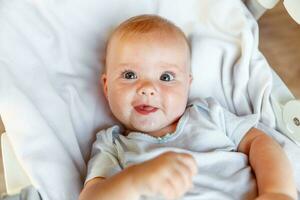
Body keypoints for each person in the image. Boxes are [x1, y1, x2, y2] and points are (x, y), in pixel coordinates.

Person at [79, 14, 297, 200]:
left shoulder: (207, 114)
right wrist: (135, 179)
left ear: (187, 86)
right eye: (129, 75)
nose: (147, 88)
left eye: (165, 77)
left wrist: (277, 190)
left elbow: (258, 142)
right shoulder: (113, 145)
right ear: (107, 87)